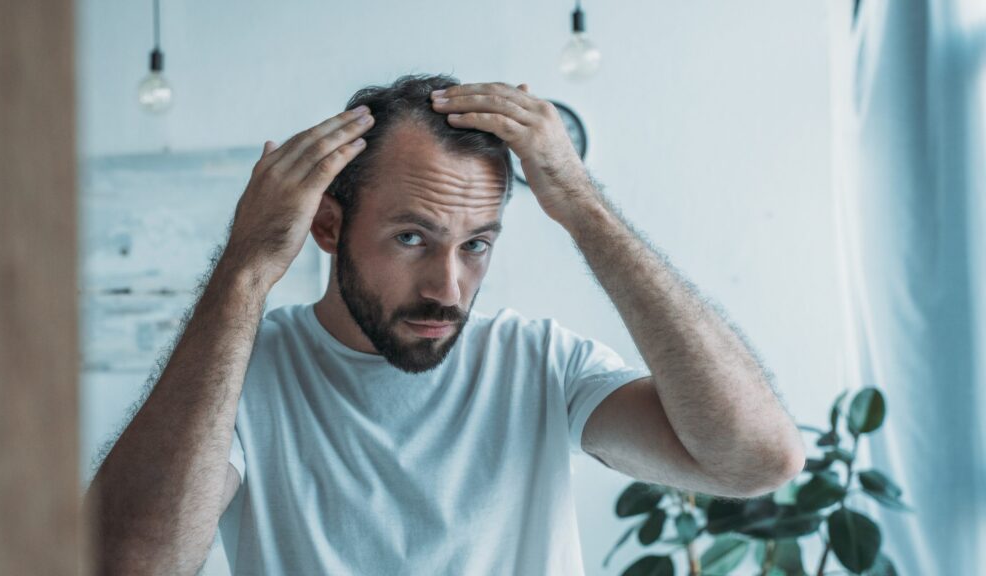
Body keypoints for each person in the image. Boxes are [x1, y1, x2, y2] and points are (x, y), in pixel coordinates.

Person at [86, 73, 806, 575]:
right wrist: (244, 269)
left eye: (476, 245)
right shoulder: (246, 373)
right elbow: (123, 563)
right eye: (412, 238)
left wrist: (582, 207)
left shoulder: (541, 363)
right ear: (328, 227)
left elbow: (755, 461)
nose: (448, 286)